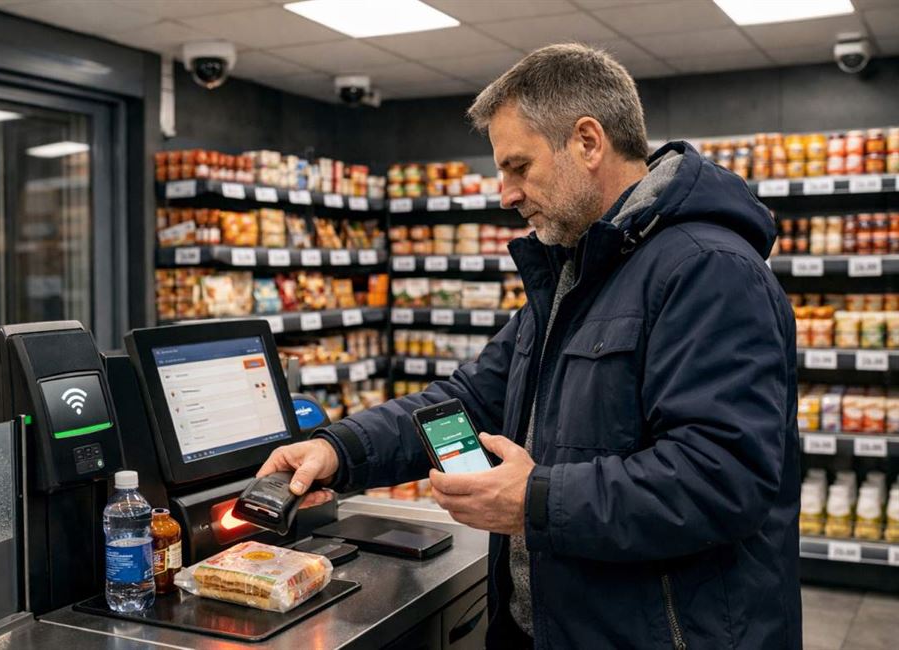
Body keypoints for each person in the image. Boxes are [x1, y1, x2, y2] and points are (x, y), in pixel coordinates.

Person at [258, 43, 800, 649]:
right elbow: (470, 401)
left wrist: (535, 502)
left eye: (518, 166)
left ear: (588, 142)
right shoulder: (581, 271)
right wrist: (339, 450)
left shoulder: (709, 269)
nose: (505, 194)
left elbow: (721, 477)